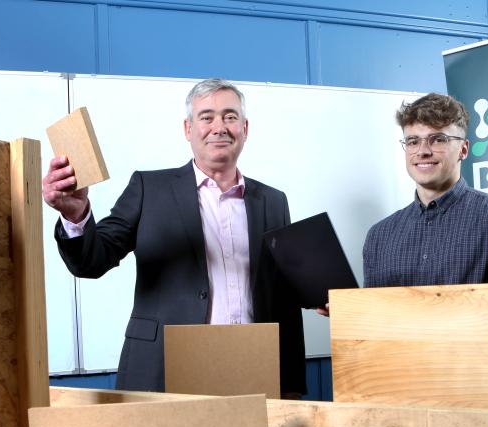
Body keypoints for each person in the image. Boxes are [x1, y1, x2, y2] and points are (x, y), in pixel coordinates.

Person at [43, 78, 305, 396]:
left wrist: (318, 293)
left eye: (230, 116)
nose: (219, 126)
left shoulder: (273, 201)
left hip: (254, 364)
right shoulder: (148, 189)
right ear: (188, 129)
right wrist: (75, 215)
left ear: (245, 129)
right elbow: (93, 261)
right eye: (206, 117)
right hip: (166, 364)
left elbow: (281, 286)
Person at [363, 93, 488, 288]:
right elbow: (374, 313)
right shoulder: (379, 236)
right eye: (413, 141)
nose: (422, 151)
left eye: (437, 139)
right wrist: (344, 307)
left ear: (463, 149)